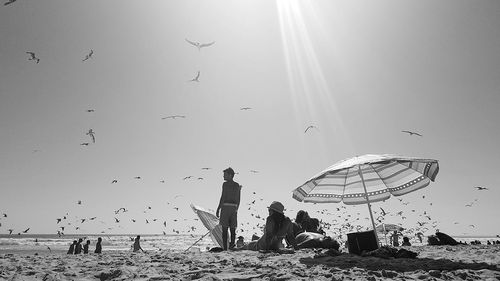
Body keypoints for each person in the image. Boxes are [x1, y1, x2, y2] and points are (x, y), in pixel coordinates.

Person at [216, 167, 242, 250]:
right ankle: (232, 246)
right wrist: (236, 208)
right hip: (234, 208)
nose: (223, 176)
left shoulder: (225, 184)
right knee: (233, 229)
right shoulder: (237, 185)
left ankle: (225, 248)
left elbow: (223, 196)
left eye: (225, 175)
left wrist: (218, 208)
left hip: (226, 207)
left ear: (230, 175)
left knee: (224, 229)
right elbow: (238, 199)